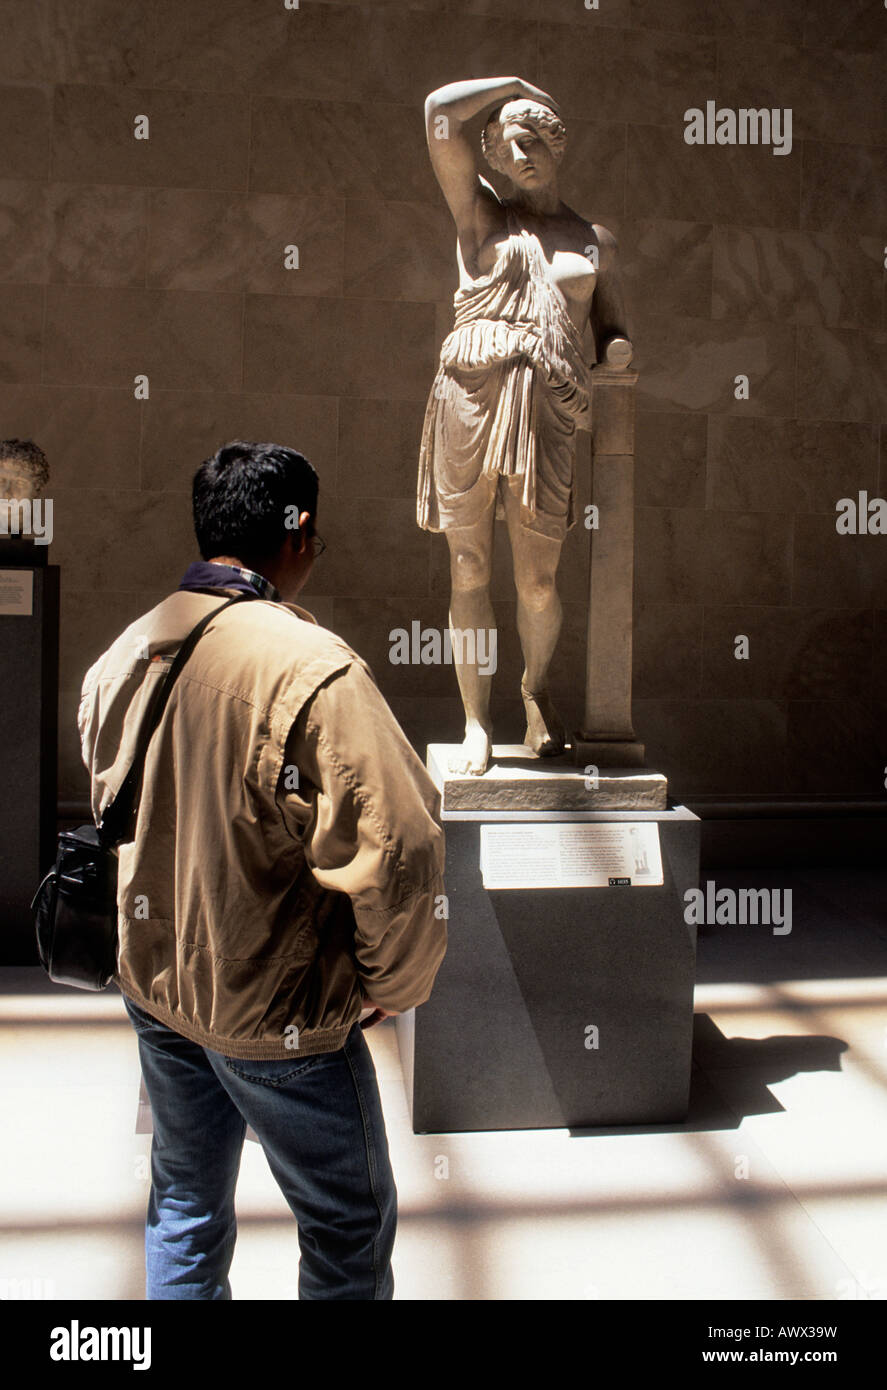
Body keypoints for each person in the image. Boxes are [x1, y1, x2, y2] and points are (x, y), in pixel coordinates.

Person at [78, 440, 447, 1300]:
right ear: (300, 532)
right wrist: (392, 981)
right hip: (273, 1011)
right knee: (346, 1226)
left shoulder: (128, 649)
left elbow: (111, 807)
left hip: (158, 987)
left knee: (182, 1204)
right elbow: (402, 850)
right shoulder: (313, 666)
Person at [418, 76, 633, 776]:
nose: (521, 151)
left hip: (545, 410)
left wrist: (616, 352)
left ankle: (534, 693)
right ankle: (475, 720)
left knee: (538, 583)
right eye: (507, 143)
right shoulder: (479, 216)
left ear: (556, 142)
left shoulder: (592, 239)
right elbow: (437, 117)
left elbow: (613, 329)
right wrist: (507, 84)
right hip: (470, 399)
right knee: (469, 566)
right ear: (495, 158)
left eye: (533, 137)